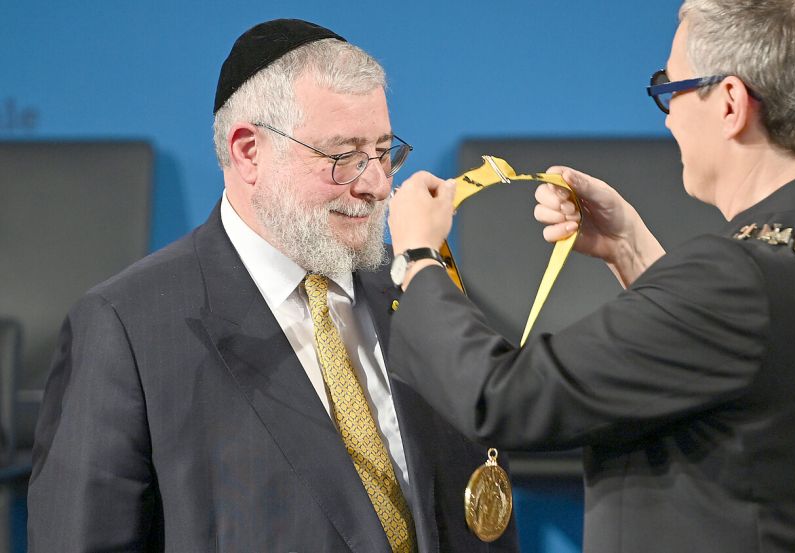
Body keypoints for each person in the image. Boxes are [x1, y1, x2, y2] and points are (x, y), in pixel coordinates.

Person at [385, 1, 795, 551]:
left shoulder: (734, 278)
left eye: (673, 87)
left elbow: (501, 399)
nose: (668, 116)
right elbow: (744, 385)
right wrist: (629, 250)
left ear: (731, 104)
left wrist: (418, 258)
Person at [27, 19, 518, 553]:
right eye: (344, 157)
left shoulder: (419, 288)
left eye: (382, 151)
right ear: (247, 152)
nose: (376, 184)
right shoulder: (128, 329)